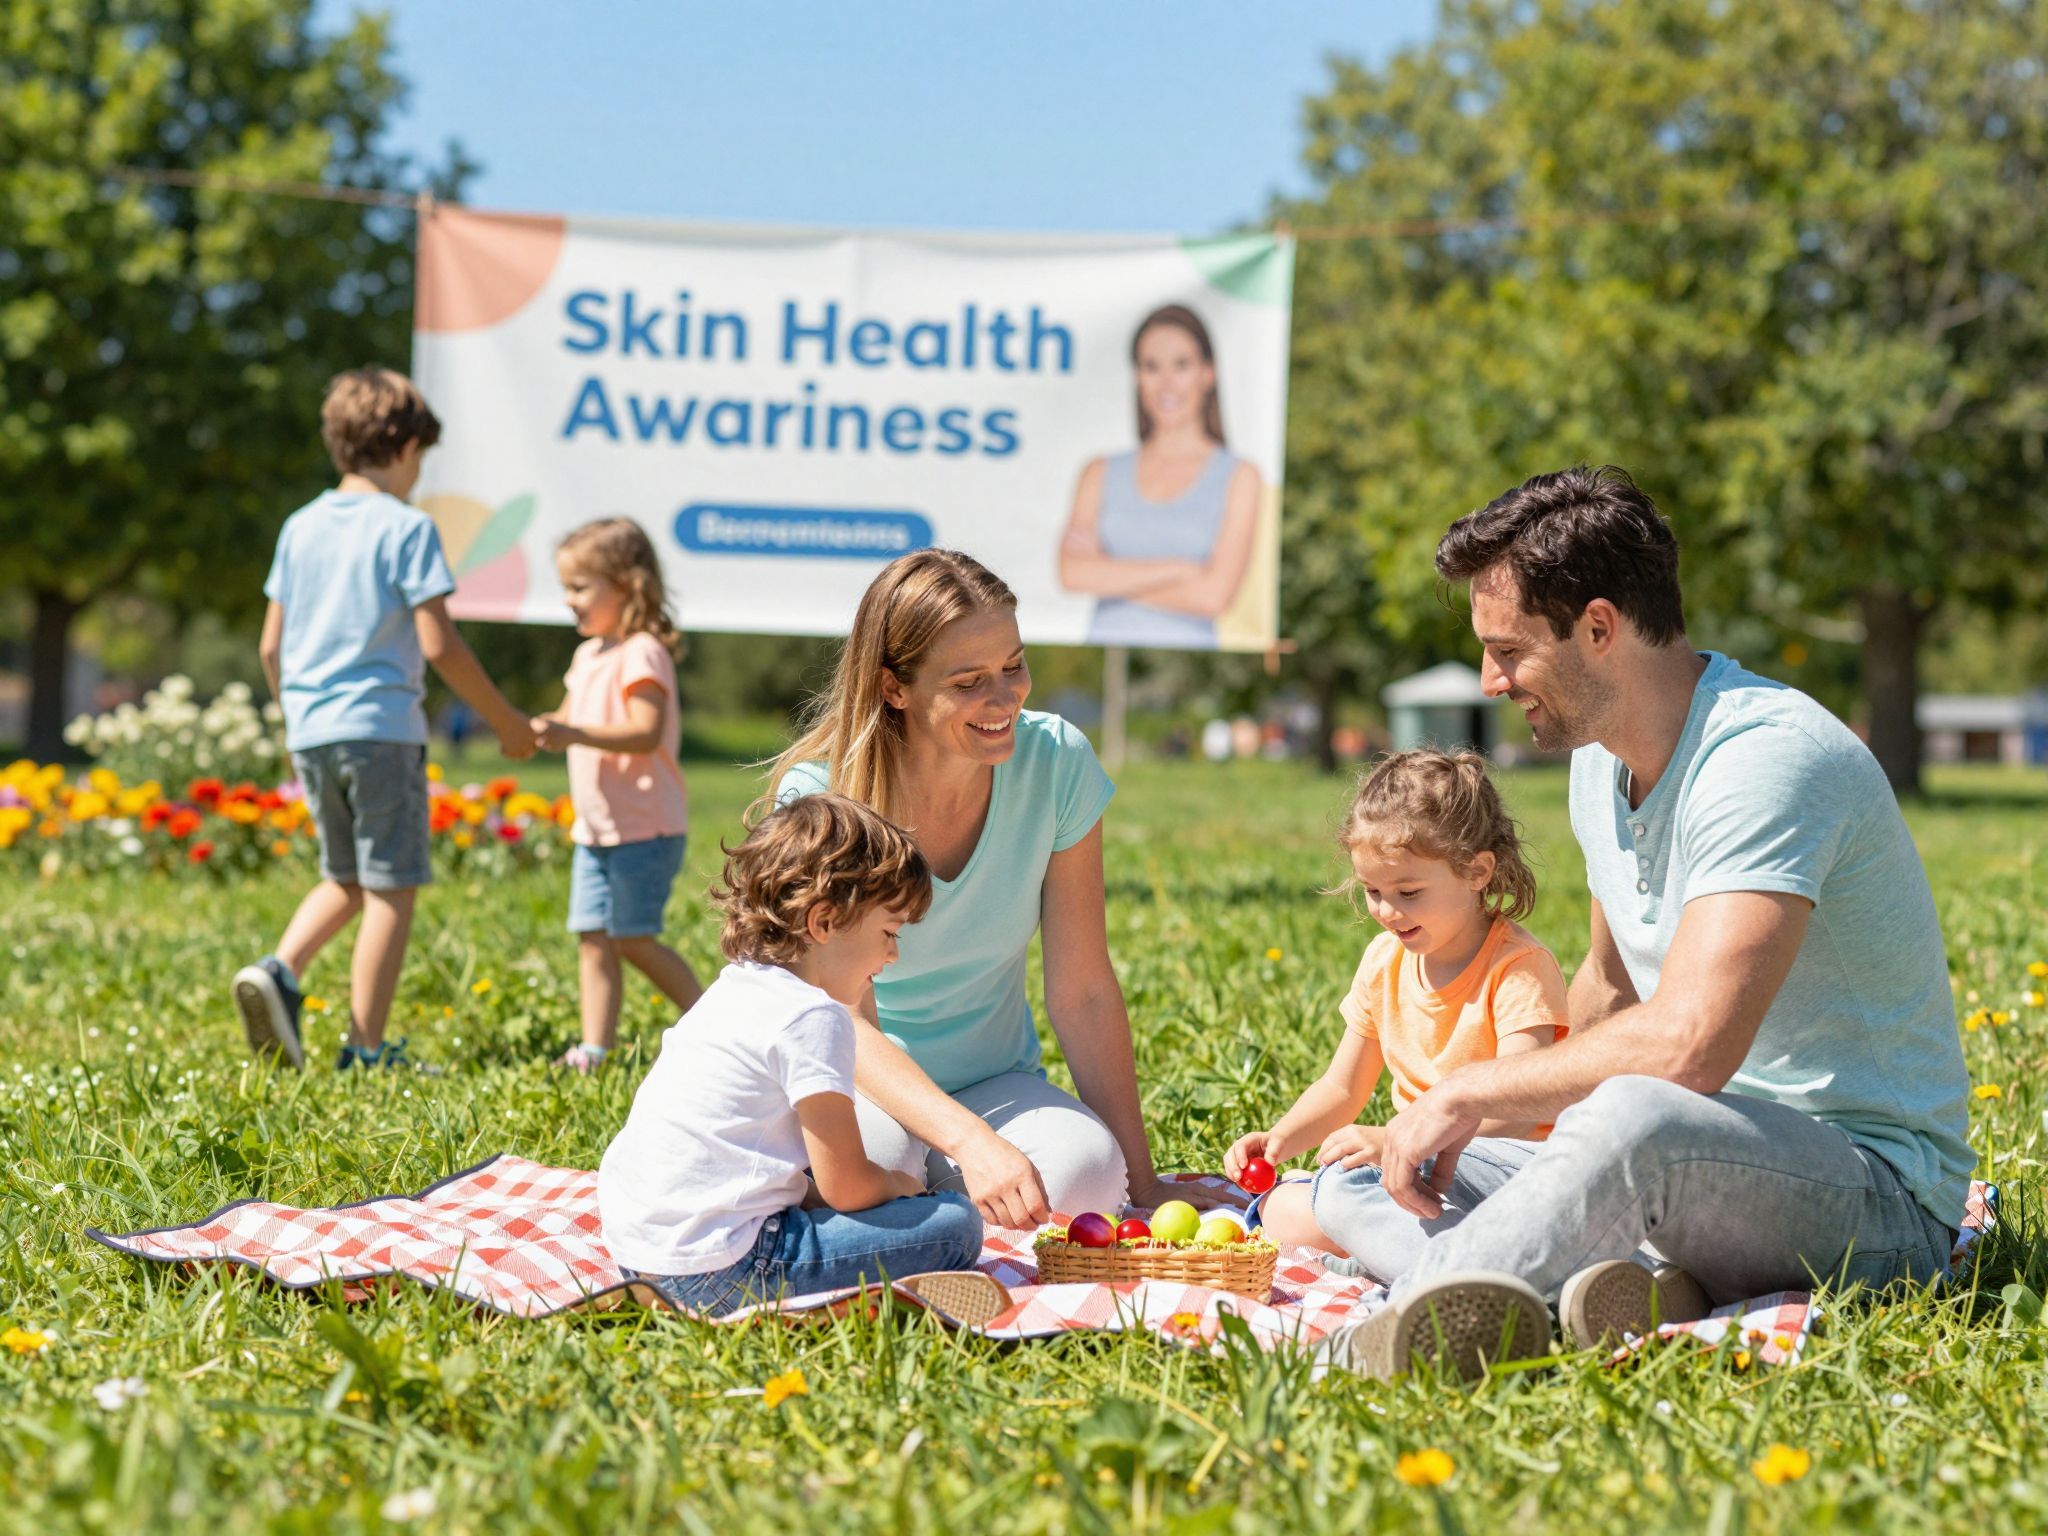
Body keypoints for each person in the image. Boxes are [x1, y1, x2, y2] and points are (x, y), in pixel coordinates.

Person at [1322, 466, 1974, 1383]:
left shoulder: (1766, 761)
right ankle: (1625, 1288)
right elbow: (1609, 989)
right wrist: (1504, 1140)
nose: (1490, 680)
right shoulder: (1602, 760)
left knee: (1635, 1114)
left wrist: (1469, 1093)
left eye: (1509, 650)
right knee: (1366, 1172)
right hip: (1689, 1160)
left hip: (1870, 1198)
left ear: (1599, 628)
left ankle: (1391, 1335)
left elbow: (1689, 1049)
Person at [768, 548, 1207, 1229]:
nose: (1004, 699)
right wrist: (969, 1142)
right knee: (860, 1175)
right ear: (894, 688)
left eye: (1013, 667)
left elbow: (1083, 988)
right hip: (860, 1087)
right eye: (969, 682)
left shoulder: (1057, 761)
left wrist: (1143, 1182)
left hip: (994, 1083)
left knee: (1090, 1174)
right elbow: (842, 1023)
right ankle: (945, 1199)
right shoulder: (824, 802)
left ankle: (942, 1209)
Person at [598, 793, 1008, 1325]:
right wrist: (900, 1188)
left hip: (641, 1254)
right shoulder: (814, 1018)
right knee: (955, 1224)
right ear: (823, 922)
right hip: (723, 1271)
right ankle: (828, 1309)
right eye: (888, 933)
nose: (893, 954)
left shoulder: (735, 988)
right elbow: (847, 1187)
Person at [233, 367, 535, 1072]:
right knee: (391, 889)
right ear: (401, 446)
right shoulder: (407, 529)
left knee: (343, 878)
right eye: (421, 459)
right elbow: (439, 644)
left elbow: (270, 644)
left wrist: (291, 725)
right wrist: (505, 720)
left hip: (311, 727)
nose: (419, 474)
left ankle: (278, 969)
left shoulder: (299, 526)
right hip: (380, 729)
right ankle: (365, 1051)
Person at [1225, 750, 1567, 1262]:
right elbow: (1342, 1087)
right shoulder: (1384, 961)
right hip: (1415, 1172)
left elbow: (1522, 1105)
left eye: (1408, 891)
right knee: (1282, 1207)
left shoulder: (1518, 968)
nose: (1387, 911)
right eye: (1373, 891)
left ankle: (1449, 1265)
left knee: (1339, 1196)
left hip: (1509, 1168)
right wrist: (1280, 1139)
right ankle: (1456, 1260)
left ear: (1476, 872)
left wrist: (1398, 1140)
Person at [530, 518, 703, 1072]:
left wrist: (572, 732)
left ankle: (711, 1023)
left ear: (627, 586)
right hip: (598, 830)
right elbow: (571, 716)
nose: (568, 601)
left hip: (644, 827)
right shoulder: (588, 656)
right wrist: (543, 726)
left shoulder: (642, 652)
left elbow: (644, 731)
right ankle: (594, 1049)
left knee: (633, 938)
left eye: (580, 587)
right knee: (593, 938)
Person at [1058, 304, 1264, 648]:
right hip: (1106, 659)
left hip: (1191, 669)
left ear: (1207, 373)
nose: (1166, 382)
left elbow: (1213, 597)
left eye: (1181, 365)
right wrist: (1180, 569)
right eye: (1151, 366)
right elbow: (1072, 573)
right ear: (1137, 377)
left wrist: (1110, 573)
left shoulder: (1240, 477)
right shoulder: (1098, 472)